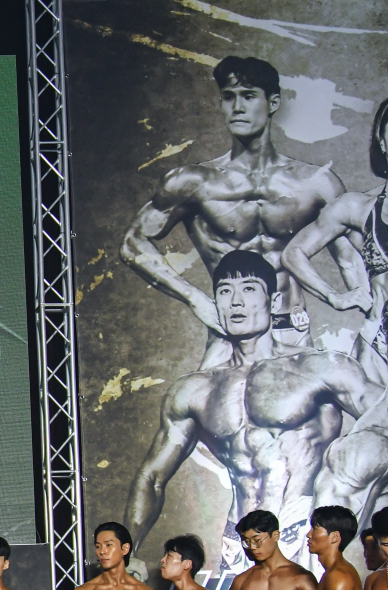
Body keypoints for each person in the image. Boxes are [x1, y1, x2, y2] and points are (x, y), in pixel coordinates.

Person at [125, 250, 381, 574]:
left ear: (274, 302)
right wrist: (128, 552)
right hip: (239, 539)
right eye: (225, 291)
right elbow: (152, 477)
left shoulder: (318, 368)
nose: (236, 302)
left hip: (302, 530)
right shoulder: (195, 389)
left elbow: (382, 417)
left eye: (248, 289)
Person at [121, 56, 351, 365]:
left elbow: (351, 261)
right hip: (230, 334)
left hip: (291, 330)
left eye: (249, 96)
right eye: (229, 97)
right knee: (207, 397)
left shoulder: (315, 183)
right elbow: (132, 243)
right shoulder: (195, 182)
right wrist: (195, 298)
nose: (238, 107)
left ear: (273, 103)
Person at [285, 97, 388, 388]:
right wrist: (334, 297)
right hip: (379, 352)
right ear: (382, 142)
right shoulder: (359, 207)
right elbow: (294, 252)